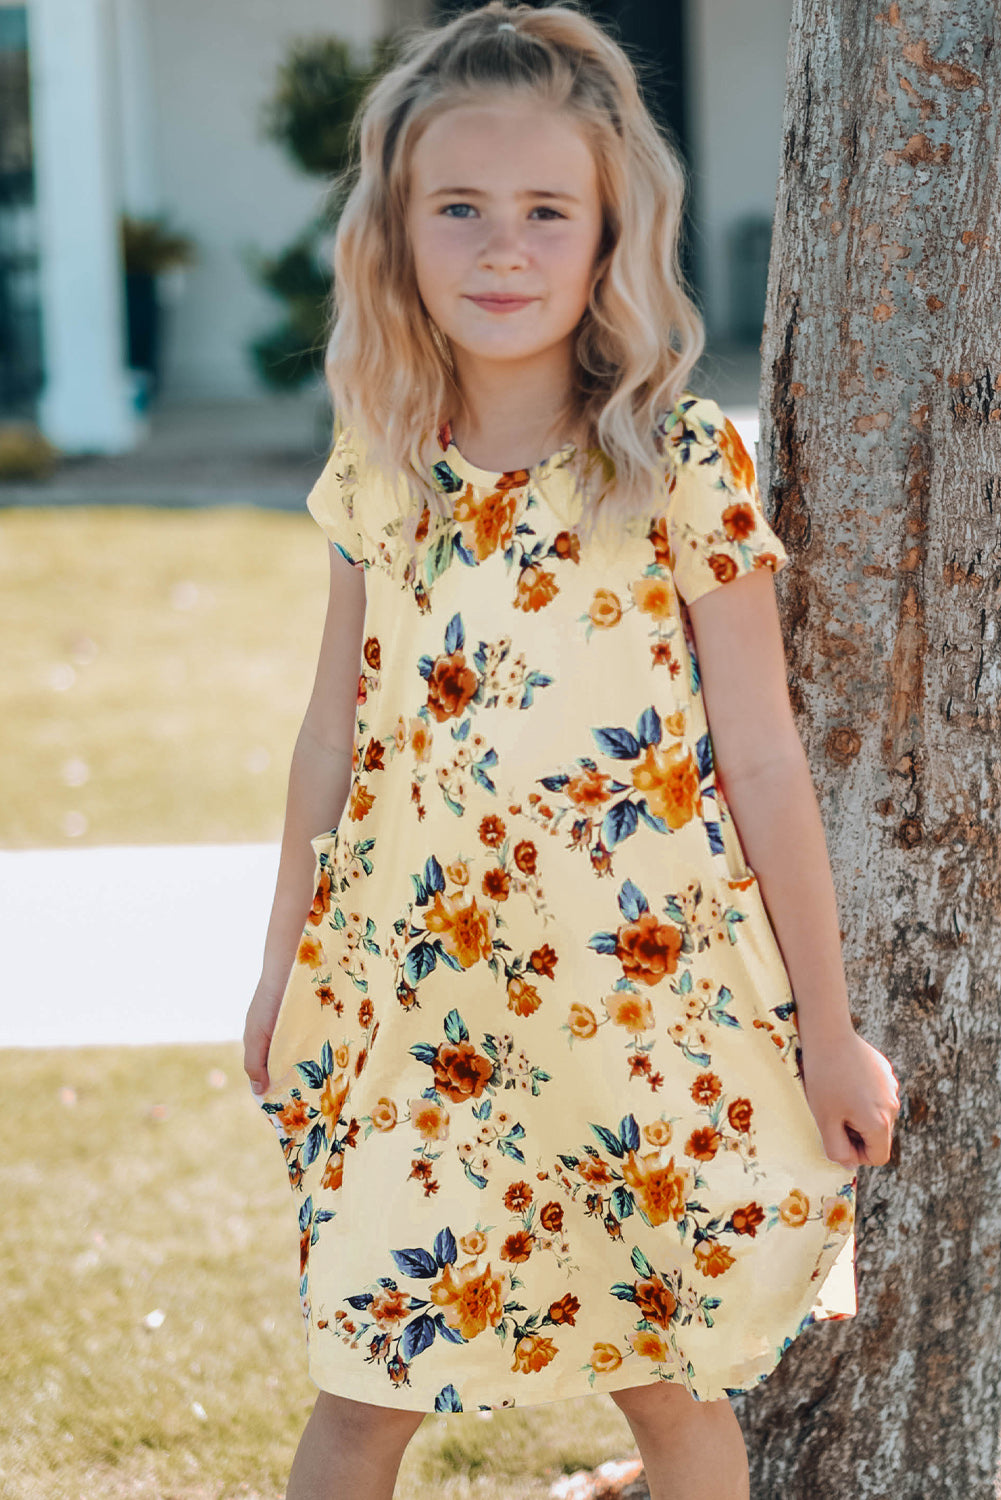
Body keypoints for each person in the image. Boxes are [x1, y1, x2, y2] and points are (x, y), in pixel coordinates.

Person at [242, 5, 902, 1497]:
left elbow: (763, 755)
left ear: (609, 235)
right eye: (458, 208)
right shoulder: (379, 466)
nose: (501, 247)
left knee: (667, 1392)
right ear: (397, 234)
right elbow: (332, 731)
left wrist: (825, 1023)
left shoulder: (675, 461)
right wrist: (284, 966)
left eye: (547, 211)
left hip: (640, 1010)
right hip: (419, 1012)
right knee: (364, 1386)